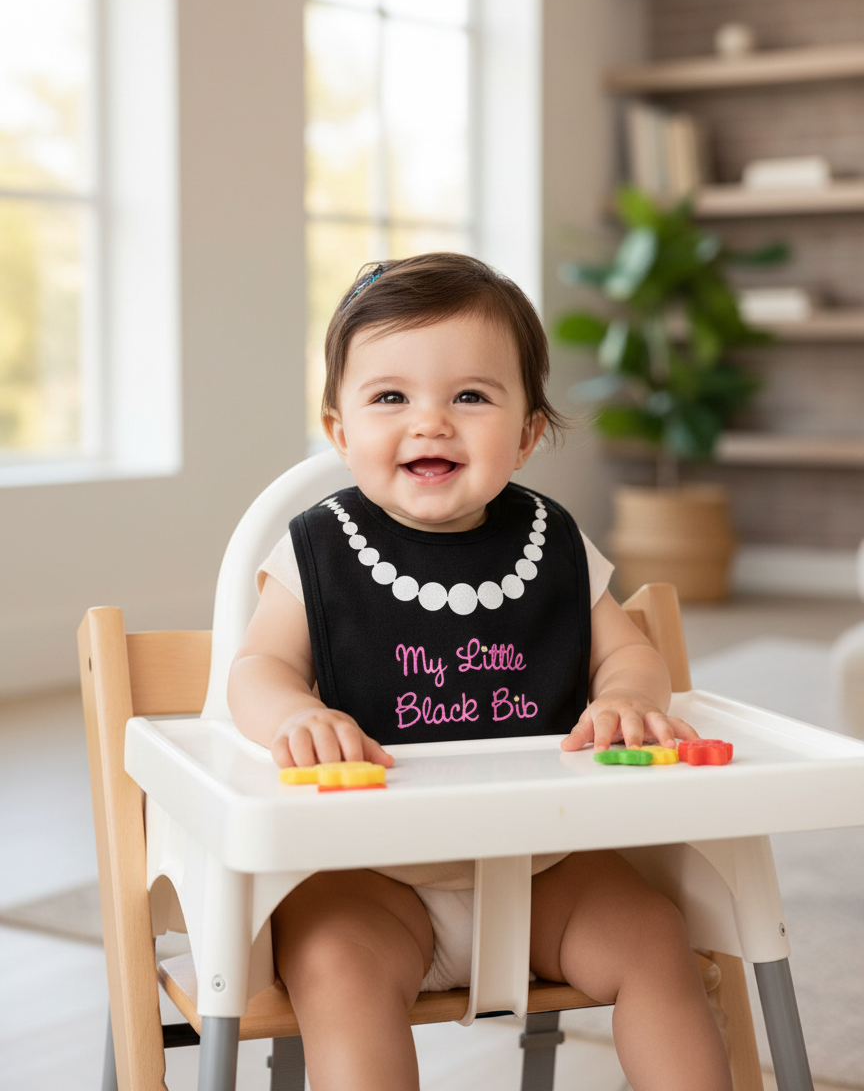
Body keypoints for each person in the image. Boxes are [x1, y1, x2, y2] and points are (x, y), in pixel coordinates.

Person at [228, 252, 733, 1091]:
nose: (430, 422)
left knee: (654, 934)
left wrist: (628, 698)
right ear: (340, 428)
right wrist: (290, 715)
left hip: (542, 865)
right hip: (372, 873)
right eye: (391, 397)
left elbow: (629, 651)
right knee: (334, 962)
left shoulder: (555, 540)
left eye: (470, 395)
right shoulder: (319, 547)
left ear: (528, 432)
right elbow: (257, 666)